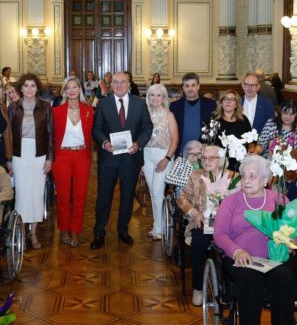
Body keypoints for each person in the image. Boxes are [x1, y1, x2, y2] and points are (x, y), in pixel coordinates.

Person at [212, 154, 297, 325]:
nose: (246, 180)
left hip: (275, 259)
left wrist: (291, 242)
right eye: (243, 175)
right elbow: (220, 234)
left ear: (266, 179)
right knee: (248, 280)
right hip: (243, 260)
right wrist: (236, 251)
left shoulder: (279, 199)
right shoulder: (231, 202)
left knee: (283, 279)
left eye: (252, 176)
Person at [91, 71, 154, 249]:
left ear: (129, 84)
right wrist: (103, 143)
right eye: (115, 82)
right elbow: (96, 128)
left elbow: (147, 127)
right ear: (111, 85)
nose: (119, 85)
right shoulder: (103, 104)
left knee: (127, 197)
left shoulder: (140, 104)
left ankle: (123, 230)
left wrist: (138, 144)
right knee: (104, 197)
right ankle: (99, 233)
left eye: (122, 82)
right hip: (108, 159)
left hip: (131, 158)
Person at [177, 144, 238, 307]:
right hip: (202, 223)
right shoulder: (195, 176)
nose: (206, 161)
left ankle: (228, 288)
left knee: (231, 247)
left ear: (221, 160)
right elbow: (182, 198)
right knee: (199, 243)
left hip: (228, 226)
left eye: (211, 158)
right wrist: (194, 213)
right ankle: (198, 288)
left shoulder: (234, 177)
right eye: (204, 158)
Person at [8, 73, 54, 249]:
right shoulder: (13, 107)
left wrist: (50, 158)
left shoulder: (45, 107)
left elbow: (51, 135)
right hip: (19, 155)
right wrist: (9, 159)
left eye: (32, 86)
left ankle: (33, 232)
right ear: (21, 88)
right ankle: (20, 230)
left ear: (37, 88)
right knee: (21, 193)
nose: (29, 89)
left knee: (36, 193)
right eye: (26, 85)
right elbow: (9, 135)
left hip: (39, 154)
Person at [51, 76, 94, 248]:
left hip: (82, 156)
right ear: (64, 91)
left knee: (80, 196)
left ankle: (76, 230)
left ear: (80, 89)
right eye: (68, 87)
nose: (72, 90)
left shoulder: (89, 111)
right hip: (62, 157)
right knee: (63, 196)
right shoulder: (56, 112)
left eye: (75, 86)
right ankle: (64, 229)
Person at [142, 83, 179, 242]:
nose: (155, 98)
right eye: (152, 95)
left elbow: (175, 139)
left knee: (157, 191)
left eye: (158, 95)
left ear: (163, 98)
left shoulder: (168, 115)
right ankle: (157, 225)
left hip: (163, 156)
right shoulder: (144, 113)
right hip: (146, 155)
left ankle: (161, 229)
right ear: (148, 97)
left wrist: (167, 158)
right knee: (152, 192)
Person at [170, 72, 217, 151]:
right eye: (187, 86)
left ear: (198, 86)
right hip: (181, 151)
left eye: (193, 85)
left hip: (203, 153)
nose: (190, 89)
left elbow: (214, 128)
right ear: (183, 87)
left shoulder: (210, 104)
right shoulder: (175, 106)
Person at [211, 90, 252, 171]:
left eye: (232, 99)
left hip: (238, 164)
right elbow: (205, 141)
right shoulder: (213, 119)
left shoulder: (243, 120)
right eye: (225, 99)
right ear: (221, 102)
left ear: (236, 104)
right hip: (217, 163)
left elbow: (250, 141)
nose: (228, 102)